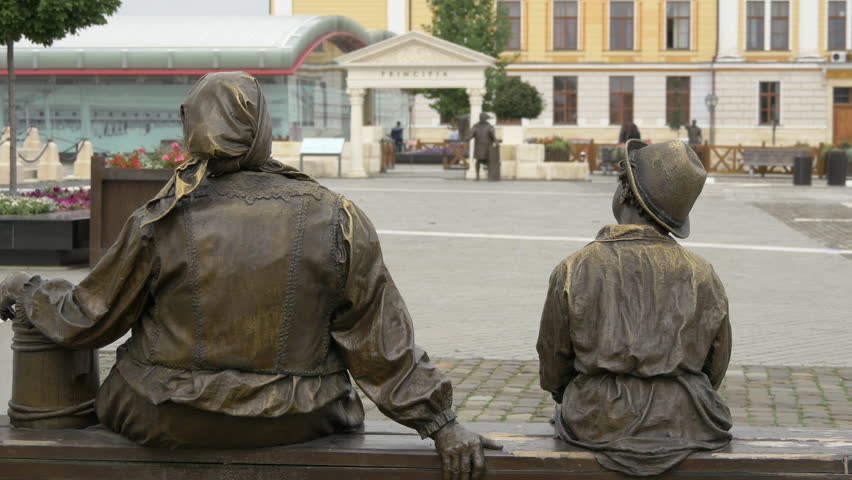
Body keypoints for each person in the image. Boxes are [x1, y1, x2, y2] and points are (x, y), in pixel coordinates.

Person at [0, 72, 499, 480]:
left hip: (166, 417)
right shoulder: (338, 215)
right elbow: (379, 341)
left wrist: (21, 286)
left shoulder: (160, 218)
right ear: (261, 126)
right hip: (303, 417)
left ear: (191, 127)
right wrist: (443, 425)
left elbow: (89, 318)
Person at [537, 139, 732, 477]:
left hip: (596, 419)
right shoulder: (702, 272)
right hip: (689, 419)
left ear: (625, 192)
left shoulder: (574, 268)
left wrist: (572, 396)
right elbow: (716, 363)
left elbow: (554, 363)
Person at [466, 113, 497, 181]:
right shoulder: (476, 126)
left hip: (487, 146)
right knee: (478, 161)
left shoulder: (489, 126)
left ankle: (489, 175)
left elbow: (493, 135)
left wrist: (496, 141)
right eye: (481, 117)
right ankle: (477, 176)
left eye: (483, 118)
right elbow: (471, 134)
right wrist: (468, 138)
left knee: (488, 161)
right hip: (479, 146)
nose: (482, 119)